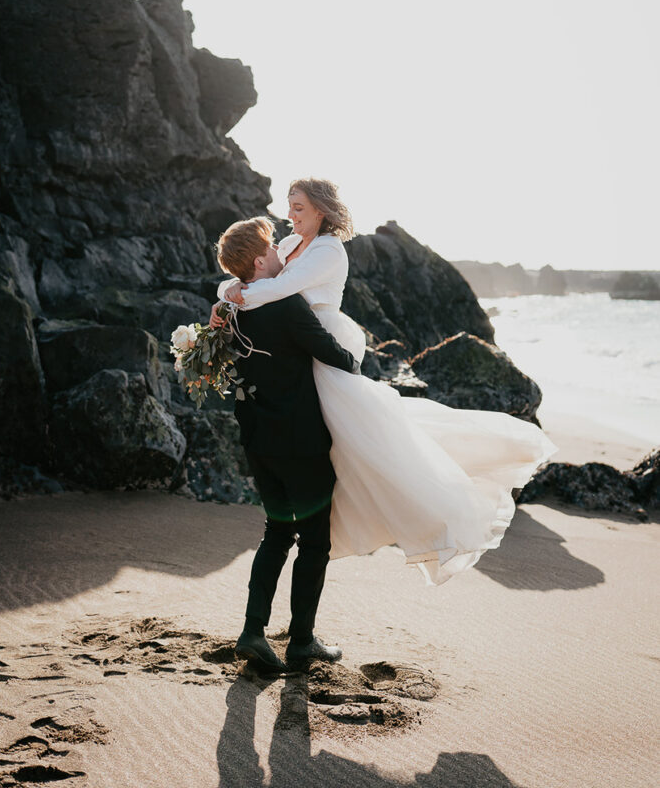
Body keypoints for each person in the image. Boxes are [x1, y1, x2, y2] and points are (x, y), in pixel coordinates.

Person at [212, 178, 559, 588]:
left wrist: (233, 296)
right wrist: (227, 289)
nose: (290, 215)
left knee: (376, 444)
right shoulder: (286, 247)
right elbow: (254, 275)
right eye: (289, 206)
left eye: (299, 208)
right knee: (341, 449)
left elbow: (279, 289)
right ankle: (317, 541)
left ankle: (426, 513)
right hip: (297, 354)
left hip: (322, 351)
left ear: (321, 210)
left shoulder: (327, 250)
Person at [215, 216, 361, 674]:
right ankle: (301, 642)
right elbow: (330, 352)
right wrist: (356, 359)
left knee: (277, 532)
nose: (283, 253)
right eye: (274, 249)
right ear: (260, 261)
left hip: (258, 439)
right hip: (301, 442)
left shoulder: (231, 311)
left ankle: (253, 631)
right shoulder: (285, 305)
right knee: (315, 542)